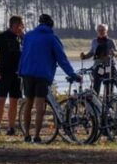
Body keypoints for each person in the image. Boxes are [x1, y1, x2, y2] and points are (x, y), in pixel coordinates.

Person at [18, 14, 81, 143]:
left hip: (27, 73)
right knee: (40, 106)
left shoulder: (28, 36)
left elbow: (23, 54)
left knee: (28, 104)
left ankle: (26, 135)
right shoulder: (52, 38)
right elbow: (62, 60)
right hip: (43, 74)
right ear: (51, 25)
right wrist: (72, 74)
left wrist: (20, 71)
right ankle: (36, 136)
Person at [0, 15, 25, 136]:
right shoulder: (1, 37)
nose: (22, 27)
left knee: (14, 101)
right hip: (3, 73)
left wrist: (22, 36)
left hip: (18, 74)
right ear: (14, 25)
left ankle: (11, 127)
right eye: (21, 24)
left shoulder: (22, 38)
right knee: (1, 100)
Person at [80, 23, 117, 94]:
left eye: (103, 30)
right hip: (97, 67)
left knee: (109, 87)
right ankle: (96, 103)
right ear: (97, 31)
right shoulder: (94, 41)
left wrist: (113, 53)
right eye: (99, 30)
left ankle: (108, 103)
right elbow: (92, 52)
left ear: (106, 31)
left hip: (109, 67)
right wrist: (84, 56)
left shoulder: (111, 41)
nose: (101, 32)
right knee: (96, 87)